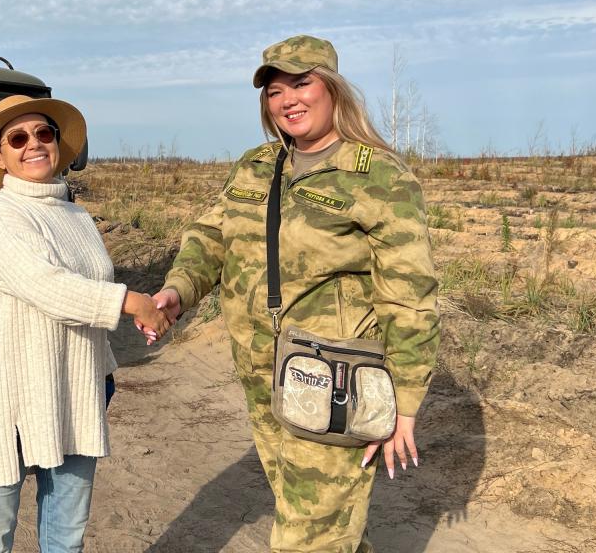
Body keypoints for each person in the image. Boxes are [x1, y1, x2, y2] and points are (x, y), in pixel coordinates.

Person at [152, 35, 440, 552]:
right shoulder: (257, 165)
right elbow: (211, 236)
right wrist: (179, 290)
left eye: (301, 84)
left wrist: (406, 401)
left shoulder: (378, 176)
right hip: (262, 374)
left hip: (332, 377)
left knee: (308, 538)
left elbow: (409, 296)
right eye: (274, 90)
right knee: (320, 522)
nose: (288, 100)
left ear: (332, 88)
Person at [0, 94, 171, 553]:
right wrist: (131, 302)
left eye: (44, 133)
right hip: (11, 394)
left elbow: (87, 289)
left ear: (57, 143)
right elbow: (46, 286)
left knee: (66, 535)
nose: (33, 144)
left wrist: (105, 370)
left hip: (75, 388)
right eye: (18, 138)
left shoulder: (76, 215)